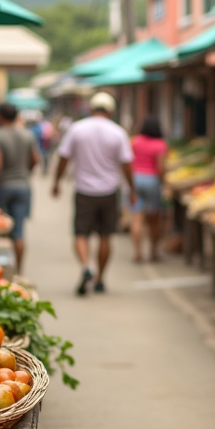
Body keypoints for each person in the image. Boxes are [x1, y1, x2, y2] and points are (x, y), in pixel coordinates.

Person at [51, 92, 136, 296]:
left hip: (84, 190)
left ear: (90, 109)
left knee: (81, 233)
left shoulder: (77, 129)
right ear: (111, 111)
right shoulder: (118, 132)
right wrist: (132, 189)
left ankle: (84, 267)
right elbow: (126, 164)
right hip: (109, 190)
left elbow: (64, 158)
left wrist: (57, 182)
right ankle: (100, 278)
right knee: (106, 235)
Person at [0, 103, 40, 272]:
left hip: (4, 186)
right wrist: (25, 173)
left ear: (0, 116)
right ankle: (19, 270)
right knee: (18, 232)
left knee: (1, 231)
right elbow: (35, 160)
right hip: (23, 186)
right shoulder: (27, 135)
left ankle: (2, 271)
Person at [129, 116, 167, 263]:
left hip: (136, 179)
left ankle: (137, 252)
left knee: (137, 218)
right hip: (152, 181)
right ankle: (153, 252)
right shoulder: (160, 144)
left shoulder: (135, 141)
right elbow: (161, 168)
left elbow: (128, 160)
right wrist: (163, 184)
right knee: (154, 220)